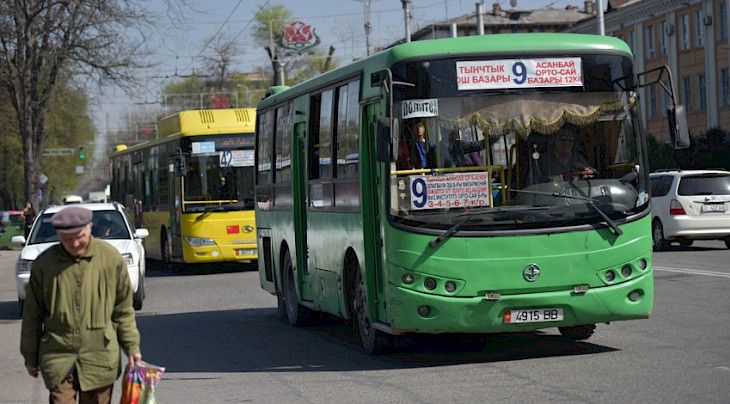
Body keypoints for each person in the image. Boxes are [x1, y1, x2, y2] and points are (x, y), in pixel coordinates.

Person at [20, 206, 142, 404]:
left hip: (100, 357)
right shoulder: (44, 265)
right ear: (58, 235)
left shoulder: (111, 259)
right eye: (67, 239)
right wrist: (30, 356)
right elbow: (32, 315)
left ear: (90, 228)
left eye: (80, 236)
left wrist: (132, 347)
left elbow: (123, 311)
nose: (75, 243)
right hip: (58, 355)